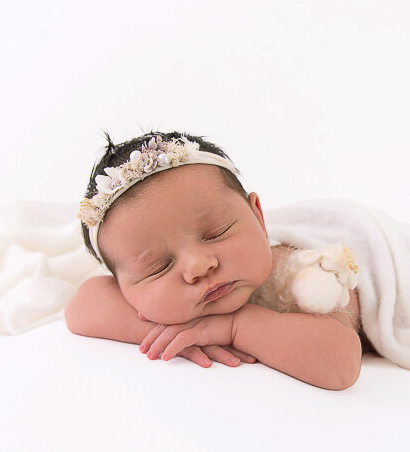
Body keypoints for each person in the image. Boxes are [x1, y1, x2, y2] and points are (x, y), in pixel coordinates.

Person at [64, 130, 366, 391]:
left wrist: (235, 326)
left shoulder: (306, 270)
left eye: (216, 233)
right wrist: (178, 334)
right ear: (124, 289)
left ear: (258, 218)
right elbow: (82, 306)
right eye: (158, 266)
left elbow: (341, 363)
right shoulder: (142, 288)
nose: (198, 265)